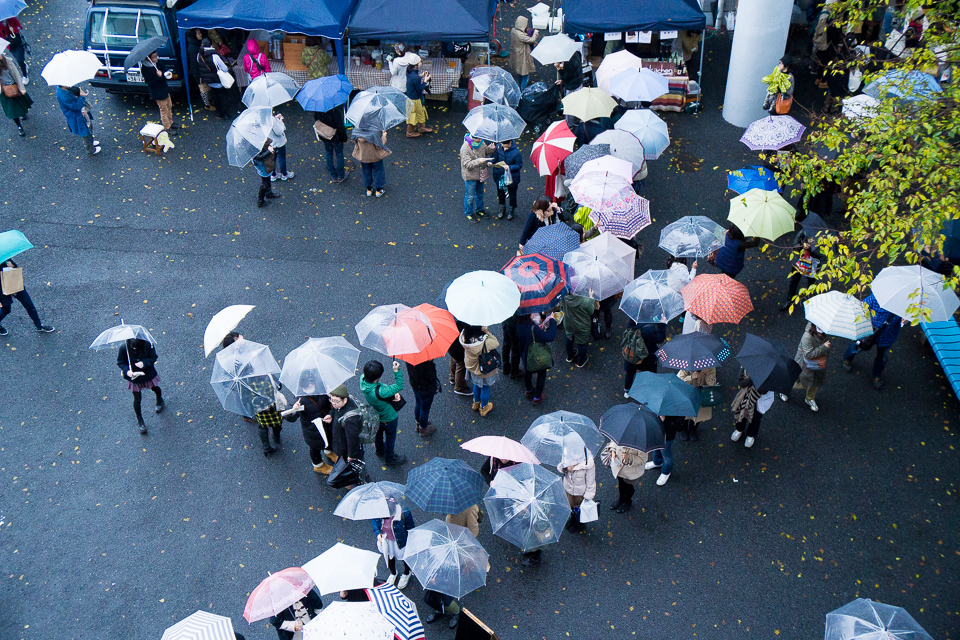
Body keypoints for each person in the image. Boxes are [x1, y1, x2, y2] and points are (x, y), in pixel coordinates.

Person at [842, 293, 907, 389]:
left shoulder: (905, 305)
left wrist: (905, 322)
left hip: (888, 335)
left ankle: (876, 375)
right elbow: (863, 306)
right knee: (858, 346)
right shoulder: (877, 297)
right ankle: (847, 359)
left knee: (882, 358)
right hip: (870, 331)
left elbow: (909, 321)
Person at [360, 359, 407, 466]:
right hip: (388, 418)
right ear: (377, 378)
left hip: (376, 416)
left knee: (378, 434)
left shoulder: (362, 379)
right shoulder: (382, 391)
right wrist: (396, 370)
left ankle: (379, 450)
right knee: (390, 438)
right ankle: (389, 458)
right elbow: (399, 386)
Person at [284, 384, 337, 475]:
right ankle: (318, 465)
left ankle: (329, 452)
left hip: (326, 425)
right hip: (312, 431)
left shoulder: (322, 390)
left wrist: (331, 414)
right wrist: (294, 409)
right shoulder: (299, 399)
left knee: (328, 438)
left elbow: (331, 406)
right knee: (315, 448)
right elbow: (289, 417)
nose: (310, 386)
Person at [117, 338, 164, 434]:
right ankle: (140, 420)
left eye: (136, 348)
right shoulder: (124, 347)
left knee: (154, 388)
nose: (134, 349)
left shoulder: (148, 345)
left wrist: (144, 363)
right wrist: (127, 371)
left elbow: (153, 357)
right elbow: (121, 362)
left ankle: (159, 399)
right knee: (137, 398)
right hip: (134, 377)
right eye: (132, 347)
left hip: (147, 373)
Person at [0, 259, 55, 336]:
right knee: (6, 310)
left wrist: (12, 265)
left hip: (14, 284)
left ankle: (38, 326)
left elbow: (15, 266)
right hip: (2, 291)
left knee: (29, 305)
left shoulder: (4, 256)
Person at [786, 323, 831, 412]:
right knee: (802, 382)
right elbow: (808, 354)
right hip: (805, 364)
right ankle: (784, 387)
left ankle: (810, 398)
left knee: (816, 381)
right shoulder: (807, 336)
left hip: (818, 364)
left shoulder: (826, 333)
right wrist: (824, 347)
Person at [780, 231, 826, 311]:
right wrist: (802, 247)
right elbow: (795, 244)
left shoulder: (823, 237)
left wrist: (811, 249)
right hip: (800, 261)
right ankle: (789, 300)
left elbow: (823, 254)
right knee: (794, 280)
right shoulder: (804, 232)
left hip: (813, 264)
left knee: (811, 282)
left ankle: (809, 301)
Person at [372, 503, 415, 588]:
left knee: (404, 557)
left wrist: (411, 542)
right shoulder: (377, 510)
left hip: (400, 540)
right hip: (386, 540)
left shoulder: (404, 512)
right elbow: (374, 522)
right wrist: (377, 533)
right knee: (389, 557)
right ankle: (393, 573)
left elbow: (411, 528)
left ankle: (407, 572)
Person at [517, 311, 557, 404]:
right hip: (536, 354)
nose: (533, 314)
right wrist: (552, 321)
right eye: (531, 313)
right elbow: (550, 337)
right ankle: (537, 397)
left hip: (525, 353)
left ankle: (529, 389)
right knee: (541, 373)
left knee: (527, 372)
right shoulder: (533, 328)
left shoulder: (519, 325)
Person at [460, 325, 500, 416]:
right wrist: (487, 333)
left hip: (473, 367)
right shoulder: (486, 341)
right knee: (485, 387)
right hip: (484, 368)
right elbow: (496, 343)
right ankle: (484, 408)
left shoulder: (464, 336)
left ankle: (476, 403)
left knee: (476, 385)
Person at [730, 368, 774, 448]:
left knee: (756, 419)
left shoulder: (771, 372)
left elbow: (765, 390)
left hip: (759, 401)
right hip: (745, 397)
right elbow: (741, 383)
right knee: (741, 414)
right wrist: (752, 378)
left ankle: (751, 435)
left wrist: (760, 381)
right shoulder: (746, 367)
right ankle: (739, 429)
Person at [56, 85, 100, 156]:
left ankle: (90, 142)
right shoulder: (64, 95)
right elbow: (76, 107)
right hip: (77, 116)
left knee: (88, 128)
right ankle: (90, 150)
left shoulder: (63, 90)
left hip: (78, 114)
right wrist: (81, 96)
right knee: (86, 132)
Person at [460, 133, 495, 222]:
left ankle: (480, 209)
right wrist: (478, 161)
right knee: (470, 196)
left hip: (480, 173)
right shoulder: (465, 148)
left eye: (481, 138)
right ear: (472, 137)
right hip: (470, 176)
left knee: (480, 193)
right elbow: (467, 164)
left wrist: (490, 149)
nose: (480, 140)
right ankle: (469, 212)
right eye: (477, 139)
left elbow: (485, 151)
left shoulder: (481, 142)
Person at [326, 384, 364, 466]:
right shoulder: (341, 404)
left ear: (345, 400)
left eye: (336, 401)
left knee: (352, 467)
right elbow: (336, 410)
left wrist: (352, 456)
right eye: (331, 400)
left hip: (345, 448)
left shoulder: (350, 419)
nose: (333, 403)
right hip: (341, 443)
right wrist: (331, 415)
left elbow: (353, 439)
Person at [602, 441, 646, 513]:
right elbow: (613, 442)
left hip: (631, 471)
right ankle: (621, 499)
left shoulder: (641, 441)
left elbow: (643, 459)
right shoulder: (623, 431)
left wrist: (629, 457)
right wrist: (613, 451)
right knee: (621, 483)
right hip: (618, 466)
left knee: (628, 486)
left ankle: (628, 501)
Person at [559, 450, 596, 532]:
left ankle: (580, 523)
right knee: (571, 506)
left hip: (580, 493)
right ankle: (573, 518)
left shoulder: (588, 463)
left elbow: (591, 482)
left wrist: (588, 497)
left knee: (579, 509)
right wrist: (566, 467)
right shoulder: (567, 455)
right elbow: (560, 467)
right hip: (569, 488)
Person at [676, 366, 716, 441]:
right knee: (685, 414)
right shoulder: (687, 365)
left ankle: (693, 429)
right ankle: (683, 428)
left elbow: (712, 383)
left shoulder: (710, 367)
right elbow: (679, 381)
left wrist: (707, 374)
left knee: (698, 415)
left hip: (701, 395)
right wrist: (691, 377)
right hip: (688, 394)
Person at [140, 51, 177, 133]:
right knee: (164, 109)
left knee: (169, 105)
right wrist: (159, 76)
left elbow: (164, 68)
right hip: (157, 91)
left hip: (164, 88)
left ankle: (171, 122)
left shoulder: (157, 63)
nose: (156, 58)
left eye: (156, 56)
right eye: (154, 57)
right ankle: (167, 127)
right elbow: (151, 82)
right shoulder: (145, 69)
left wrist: (165, 72)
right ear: (148, 58)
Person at [560, 291, 599, 368]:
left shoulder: (563, 296)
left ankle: (570, 356)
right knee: (582, 342)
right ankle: (581, 361)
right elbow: (591, 311)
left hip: (568, 323)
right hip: (582, 326)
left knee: (569, 337)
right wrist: (591, 297)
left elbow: (561, 307)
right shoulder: (585, 300)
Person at [314, 102, 348, 183]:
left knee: (328, 154)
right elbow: (340, 127)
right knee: (339, 155)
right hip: (336, 138)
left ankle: (333, 175)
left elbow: (316, 121)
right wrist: (344, 139)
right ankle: (341, 175)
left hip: (325, 137)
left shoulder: (317, 111)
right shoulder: (335, 112)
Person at [196, 38, 230, 119]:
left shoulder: (199, 55)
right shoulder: (214, 55)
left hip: (208, 80)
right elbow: (224, 68)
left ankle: (219, 113)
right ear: (211, 45)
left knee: (215, 96)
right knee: (222, 96)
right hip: (218, 79)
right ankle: (225, 113)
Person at [352, 127, 390, 198]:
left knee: (366, 171)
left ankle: (369, 189)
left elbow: (355, 141)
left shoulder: (356, 131)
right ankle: (378, 190)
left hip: (364, 156)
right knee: (378, 171)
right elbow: (380, 145)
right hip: (375, 156)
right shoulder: (374, 132)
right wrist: (384, 135)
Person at [405, 359, 438, 437]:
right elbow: (430, 376)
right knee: (425, 409)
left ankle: (418, 422)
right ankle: (423, 428)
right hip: (425, 389)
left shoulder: (409, 359)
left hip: (415, 385)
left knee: (418, 403)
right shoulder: (424, 365)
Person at [0, 51, 30, 137]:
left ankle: (23, 113)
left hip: (14, 86)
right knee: (12, 111)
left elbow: (16, 75)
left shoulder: (7, 61)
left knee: (22, 103)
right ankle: (19, 126)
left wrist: (21, 88)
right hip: (4, 91)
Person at [646, 415, 682, 486]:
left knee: (666, 455)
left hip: (667, 436)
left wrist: (665, 420)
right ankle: (657, 462)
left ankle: (666, 471)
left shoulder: (678, 409)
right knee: (656, 448)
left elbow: (679, 427)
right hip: (656, 432)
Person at [492, 139, 522, 220]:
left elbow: (519, 165)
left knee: (512, 195)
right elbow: (494, 158)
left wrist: (509, 167)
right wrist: (491, 161)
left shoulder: (516, 152)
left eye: (505, 145)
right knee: (500, 193)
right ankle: (502, 208)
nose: (502, 146)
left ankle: (511, 210)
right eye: (501, 144)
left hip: (511, 178)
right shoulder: (498, 147)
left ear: (510, 143)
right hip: (499, 176)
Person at [186, 29, 215, 112]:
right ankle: (207, 104)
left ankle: (210, 102)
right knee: (203, 89)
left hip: (203, 71)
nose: (200, 35)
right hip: (199, 72)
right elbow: (193, 63)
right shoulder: (192, 47)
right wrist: (197, 75)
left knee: (207, 88)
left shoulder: (197, 43)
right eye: (198, 33)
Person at [404, 57, 433, 137]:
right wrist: (425, 81)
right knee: (413, 115)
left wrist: (421, 75)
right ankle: (409, 133)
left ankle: (422, 128)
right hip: (414, 99)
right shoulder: (415, 77)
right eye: (420, 62)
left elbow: (413, 80)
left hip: (411, 96)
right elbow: (419, 89)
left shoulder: (409, 71)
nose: (421, 63)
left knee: (420, 112)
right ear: (416, 65)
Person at [509, 16, 539, 91]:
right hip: (522, 56)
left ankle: (518, 87)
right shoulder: (521, 35)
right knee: (525, 74)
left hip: (516, 55)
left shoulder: (513, 31)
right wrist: (535, 33)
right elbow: (531, 40)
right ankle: (522, 90)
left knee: (519, 72)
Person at [252, 139, 280, 208]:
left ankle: (268, 193)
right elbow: (258, 157)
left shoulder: (252, 138)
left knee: (267, 177)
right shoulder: (250, 145)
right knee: (265, 181)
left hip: (263, 163)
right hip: (262, 164)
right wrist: (269, 151)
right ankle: (260, 201)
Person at [447, 319, 472, 396]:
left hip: (451, 343)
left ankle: (452, 378)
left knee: (453, 360)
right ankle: (459, 387)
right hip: (459, 349)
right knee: (461, 365)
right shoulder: (468, 325)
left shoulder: (458, 321)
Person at [269, 113, 295, 182]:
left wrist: (276, 119)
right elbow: (279, 132)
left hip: (270, 143)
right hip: (278, 143)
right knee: (282, 158)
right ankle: (284, 174)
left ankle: (273, 175)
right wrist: (280, 122)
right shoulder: (271, 120)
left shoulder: (261, 119)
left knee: (272, 159)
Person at [500, 314, 521, 380]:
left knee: (506, 344)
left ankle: (505, 367)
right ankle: (514, 372)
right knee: (515, 348)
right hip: (513, 325)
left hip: (506, 320)